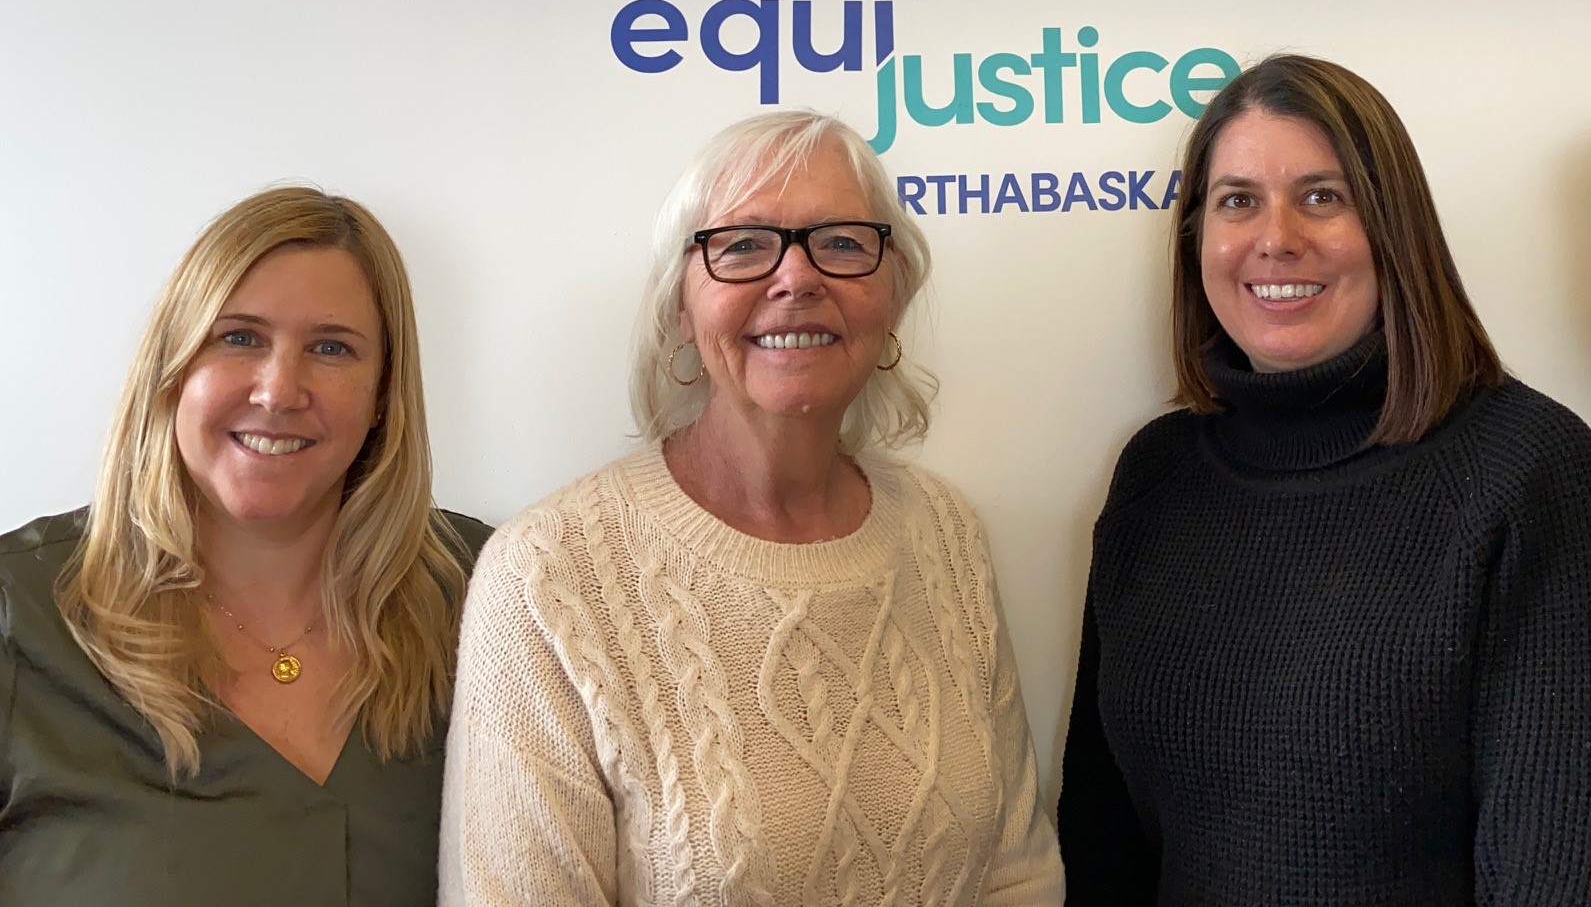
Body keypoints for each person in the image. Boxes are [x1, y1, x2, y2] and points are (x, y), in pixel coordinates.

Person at [1058, 53, 1591, 905]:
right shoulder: (1156, 477)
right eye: (1238, 201)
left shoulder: (1524, 466)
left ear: (1394, 228)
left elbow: (1585, 873)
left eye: (1323, 197)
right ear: (1197, 237)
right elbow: (1104, 844)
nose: (1276, 237)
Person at [441, 109, 1062, 905]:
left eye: (842, 242)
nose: (796, 277)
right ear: (680, 307)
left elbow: (1018, 873)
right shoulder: (547, 575)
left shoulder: (945, 532)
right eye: (741, 246)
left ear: (893, 293)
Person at [0, 187, 488, 907]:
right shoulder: (18, 614)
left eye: (331, 348)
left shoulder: (492, 596)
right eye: (239, 338)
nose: (279, 390)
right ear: (172, 368)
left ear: (383, 394)